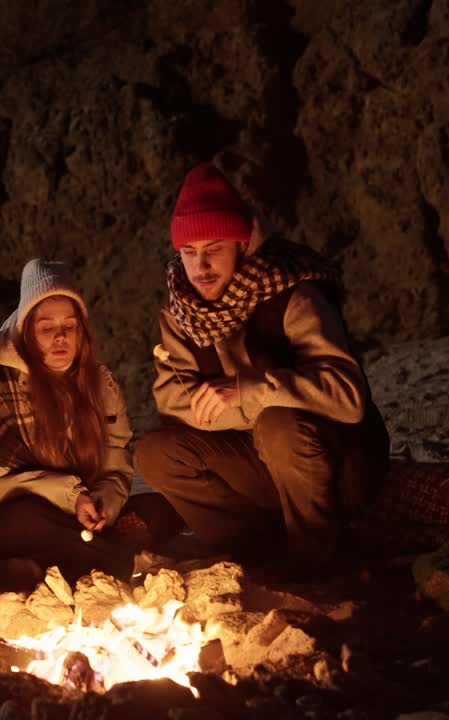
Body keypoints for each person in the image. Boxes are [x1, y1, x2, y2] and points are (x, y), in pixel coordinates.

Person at [134, 163, 390, 573]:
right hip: (256, 459)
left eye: (214, 249)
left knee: (277, 425)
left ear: (242, 244)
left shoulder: (292, 293)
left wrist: (248, 392)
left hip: (337, 465)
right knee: (155, 453)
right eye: (189, 253)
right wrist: (240, 409)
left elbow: (348, 398)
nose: (200, 269)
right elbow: (175, 404)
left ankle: (314, 560)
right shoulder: (181, 309)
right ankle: (247, 551)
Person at [0, 259, 176, 590]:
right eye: (47, 328)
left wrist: (105, 501)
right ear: (26, 332)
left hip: (80, 513)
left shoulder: (98, 384)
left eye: (69, 327)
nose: (60, 337)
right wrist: (70, 496)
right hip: (13, 518)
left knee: (162, 508)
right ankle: (107, 561)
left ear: (81, 332)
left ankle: (63, 563)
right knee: (26, 521)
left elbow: (116, 456)